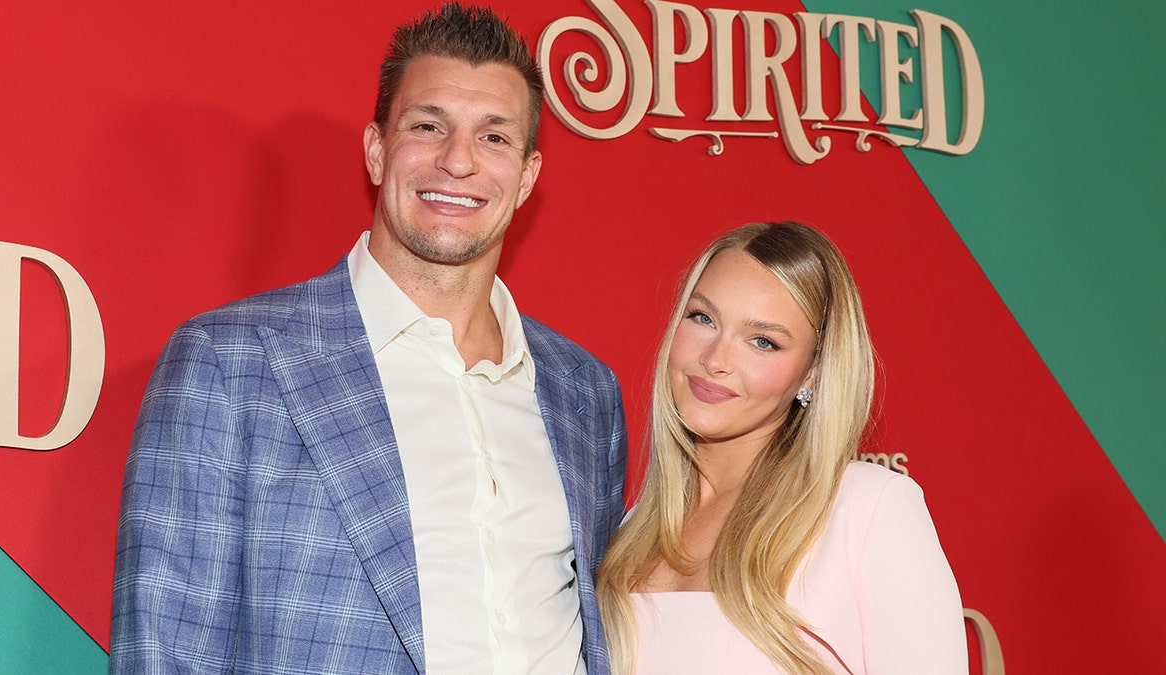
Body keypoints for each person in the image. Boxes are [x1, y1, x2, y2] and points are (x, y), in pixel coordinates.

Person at [110, 4, 627, 673]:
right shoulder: (232, 363)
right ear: (378, 151)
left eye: (494, 137)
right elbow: (165, 651)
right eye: (428, 126)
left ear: (526, 177)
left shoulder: (584, 390)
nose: (458, 160)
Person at [597, 222, 967, 674]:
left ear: (812, 372)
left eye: (763, 342)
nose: (715, 360)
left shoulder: (865, 509)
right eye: (703, 318)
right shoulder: (628, 532)